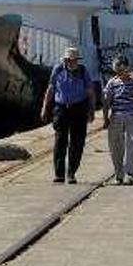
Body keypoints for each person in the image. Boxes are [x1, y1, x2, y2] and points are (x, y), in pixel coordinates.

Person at [41, 47, 97, 184]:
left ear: (77, 60)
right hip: (61, 109)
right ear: (65, 60)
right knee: (60, 142)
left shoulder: (83, 71)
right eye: (69, 60)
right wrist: (44, 108)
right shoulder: (58, 69)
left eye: (74, 60)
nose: (71, 62)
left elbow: (90, 92)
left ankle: (71, 173)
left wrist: (91, 111)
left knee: (77, 143)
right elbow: (51, 89)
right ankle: (59, 174)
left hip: (79, 108)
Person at [103, 55, 133, 185]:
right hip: (116, 117)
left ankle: (130, 174)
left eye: (122, 69)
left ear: (127, 67)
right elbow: (106, 102)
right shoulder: (112, 82)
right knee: (115, 146)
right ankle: (118, 174)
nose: (120, 72)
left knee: (132, 145)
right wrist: (105, 119)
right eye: (117, 70)